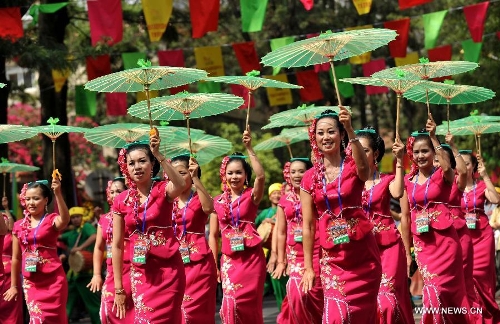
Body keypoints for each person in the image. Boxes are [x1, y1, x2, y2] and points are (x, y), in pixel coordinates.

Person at [300, 108, 381, 322]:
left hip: (363, 256)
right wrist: (309, 267)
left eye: (331, 131)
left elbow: (366, 171)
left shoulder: (354, 167)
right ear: (314, 137)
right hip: (332, 258)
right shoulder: (309, 178)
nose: (325, 137)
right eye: (320, 133)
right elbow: (308, 226)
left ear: (341, 135)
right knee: (337, 316)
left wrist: (350, 129)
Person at [400, 117, 470, 324]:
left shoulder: (442, 175)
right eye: (416, 152)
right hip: (423, 244)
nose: (420, 155)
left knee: (448, 295)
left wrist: (434, 137)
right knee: (432, 292)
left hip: (446, 243)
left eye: (425, 151)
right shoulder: (406, 181)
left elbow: (452, 169)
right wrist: (407, 252)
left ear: (433, 154)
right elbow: (404, 216)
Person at [112, 137, 186, 323]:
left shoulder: (163, 190)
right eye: (131, 163)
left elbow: (181, 184)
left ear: (152, 163)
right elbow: (118, 246)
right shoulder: (121, 200)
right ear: (126, 168)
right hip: (141, 274)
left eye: (142, 161)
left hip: (168, 272)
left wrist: (159, 154)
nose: (137, 167)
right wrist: (119, 288)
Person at [356, 127, 414, 324]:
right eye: (356, 150)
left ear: (376, 154)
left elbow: (398, 191)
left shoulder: (386, 181)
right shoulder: (348, 184)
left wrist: (399, 160)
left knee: (387, 302)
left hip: (388, 248)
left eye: (365, 150)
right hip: (361, 250)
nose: (360, 155)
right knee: (367, 304)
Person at [209, 126, 266, 324]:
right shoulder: (217, 201)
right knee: (231, 304)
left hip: (252, 260)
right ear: (224, 176)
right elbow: (213, 235)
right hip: (229, 261)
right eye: (230, 173)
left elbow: (261, 177)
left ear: (245, 175)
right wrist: (213, 265)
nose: (234, 177)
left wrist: (249, 148)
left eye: (238, 173)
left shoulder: (252, 196)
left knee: (250, 308)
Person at [3, 179, 70, 323]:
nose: (31, 203)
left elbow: (65, 220)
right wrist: (14, 286)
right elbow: (16, 258)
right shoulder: (18, 226)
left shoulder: (51, 220)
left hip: (54, 281)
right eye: (27, 199)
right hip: (31, 282)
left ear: (46, 200)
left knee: (58, 319)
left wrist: (57, 193)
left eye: (36, 198)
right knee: (38, 318)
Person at [273, 158, 324, 324]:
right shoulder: (284, 201)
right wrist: (281, 261)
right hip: (295, 256)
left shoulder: (317, 194)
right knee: (297, 294)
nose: (296, 175)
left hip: (317, 251)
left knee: (316, 294)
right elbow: (280, 232)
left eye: (301, 171)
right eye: (292, 171)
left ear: (309, 173)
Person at [171, 154, 217, 324]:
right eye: (173, 174)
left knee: (191, 314)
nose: (176, 178)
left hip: (198, 265)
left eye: (182, 173)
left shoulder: (199, 198)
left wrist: (196, 178)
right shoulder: (167, 200)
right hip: (174, 263)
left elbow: (209, 208)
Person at [437, 137, 481, 314]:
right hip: (437, 238)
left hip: (458, 234)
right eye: (436, 158)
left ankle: (468, 316)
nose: (438, 162)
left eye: (442, 159)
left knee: (462, 282)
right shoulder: (427, 182)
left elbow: (463, 171)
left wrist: (453, 145)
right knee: (441, 284)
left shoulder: (456, 179)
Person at [460, 149, 500, 323]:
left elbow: (496, 199)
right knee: (466, 277)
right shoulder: (454, 186)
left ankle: (488, 315)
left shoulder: (482, 185)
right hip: (462, 238)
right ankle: (473, 317)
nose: (463, 167)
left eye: (467, 163)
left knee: (481, 277)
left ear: (474, 166)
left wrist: (485, 176)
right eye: (460, 163)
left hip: (483, 238)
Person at [87, 177, 131, 323]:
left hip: (132, 269)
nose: (114, 194)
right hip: (112, 272)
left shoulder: (133, 215)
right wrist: (96, 274)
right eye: (111, 191)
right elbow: (99, 247)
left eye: (118, 191)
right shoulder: (104, 219)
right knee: (109, 312)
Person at [59, 206, 100, 324]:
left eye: (77, 217)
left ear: (82, 217)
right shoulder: (71, 233)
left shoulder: (86, 227)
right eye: (73, 218)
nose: (75, 219)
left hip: (86, 274)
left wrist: (80, 248)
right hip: (73, 275)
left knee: (92, 305)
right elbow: (59, 238)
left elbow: (94, 236)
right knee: (66, 304)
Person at [1, 199, 23, 324]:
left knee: (12, 305)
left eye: (6, 219)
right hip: (0, 273)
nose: (5, 221)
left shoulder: (12, 236)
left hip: (11, 273)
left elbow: (12, 225)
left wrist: (6, 208)